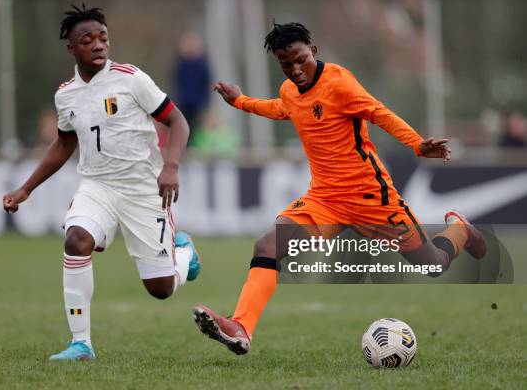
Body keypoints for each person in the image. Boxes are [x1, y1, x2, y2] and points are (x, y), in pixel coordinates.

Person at [192, 22, 487, 355]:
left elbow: (379, 113)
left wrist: (418, 144)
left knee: (431, 264)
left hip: (371, 199)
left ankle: (460, 229)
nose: (295, 70)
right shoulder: (290, 90)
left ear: (313, 51)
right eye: (286, 65)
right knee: (267, 245)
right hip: (325, 201)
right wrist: (241, 101)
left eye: (300, 60)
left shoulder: (339, 83)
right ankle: (241, 326)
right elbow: (279, 108)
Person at [2, 5, 201, 361]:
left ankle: (184, 254)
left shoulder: (132, 78)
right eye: (87, 40)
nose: (98, 45)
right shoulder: (65, 95)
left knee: (160, 289)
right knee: (76, 241)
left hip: (143, 189)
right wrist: (26, 188)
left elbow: (179, 122)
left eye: (103, 38)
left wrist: (170, 166)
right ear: (72, 49)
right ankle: (81, 344)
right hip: (97, 185)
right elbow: (64, 143)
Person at [173, 34, 211, 142]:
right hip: (183, 103)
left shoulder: (202, 65)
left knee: (198, 127)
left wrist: (205, 104)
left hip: (198, 103)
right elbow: (176, 83)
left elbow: (205, 85)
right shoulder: (181, 64)